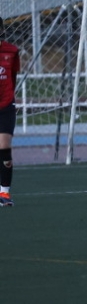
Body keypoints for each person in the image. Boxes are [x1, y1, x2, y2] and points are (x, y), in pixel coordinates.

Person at [0, 34, 18, 208]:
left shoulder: (11, 51)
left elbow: (13, 77)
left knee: (4, 147)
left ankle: (4, 192)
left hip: (5, 105)